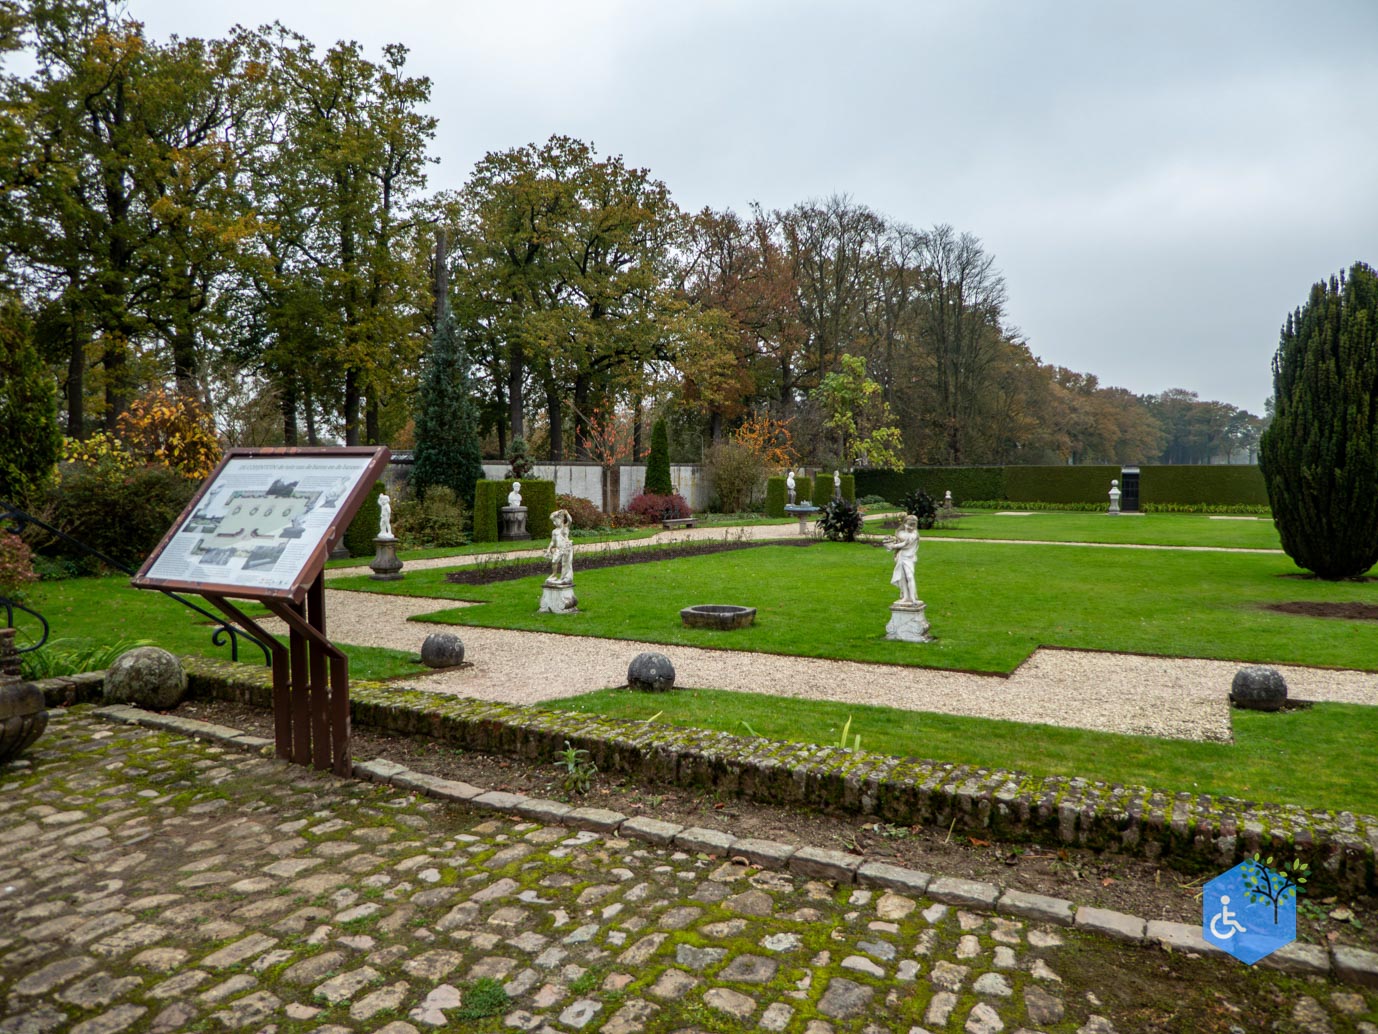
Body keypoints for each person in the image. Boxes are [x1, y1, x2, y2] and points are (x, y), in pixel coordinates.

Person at [883, 514, 919, 605]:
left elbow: (905, 544)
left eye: (913, 525)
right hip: (901, 556)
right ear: (905, 524)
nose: (911, 527)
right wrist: (889, 542)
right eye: (909, 524)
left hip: (909, 557)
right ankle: (906, 596)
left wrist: (892, 546)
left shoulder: (914, 535)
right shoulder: (900, 533)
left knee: (910, 576)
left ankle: (913, 597)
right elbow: (897, 541)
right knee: (902, 577)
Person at [545, 508, 574, 583]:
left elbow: (570, 520)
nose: (554, 523)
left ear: (561, 520)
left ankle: (566, 578)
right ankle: (554, 574)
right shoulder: (554, 531)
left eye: (555, 520)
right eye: (553, 521)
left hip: (566, 548)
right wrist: (549, 548)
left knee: (566, 563)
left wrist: (567, 514)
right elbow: (552, 542)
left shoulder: (565, 527)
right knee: (554, 561)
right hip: (558, 548)